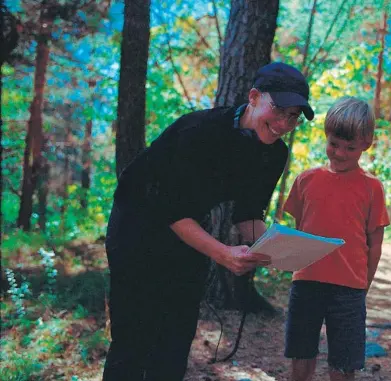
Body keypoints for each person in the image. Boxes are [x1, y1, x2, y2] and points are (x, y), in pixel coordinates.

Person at [103, 62, 315, 381]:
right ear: (254, 97)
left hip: (190, 230)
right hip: (136, 223)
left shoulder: (273, 155)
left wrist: (283, 250)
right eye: (280, 110)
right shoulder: (199, 131)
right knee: (133, 338)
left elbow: (247, 215)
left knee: (175, 338)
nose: (284, 123)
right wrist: (223, 253)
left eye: (294, 117)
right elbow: (169, 209)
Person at [282, 97, 391, 381]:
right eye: (334, 144)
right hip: (306, 283)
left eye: (350, 147)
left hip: (349, 289)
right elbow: (298, 230)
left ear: (366, 143)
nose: (340, 153)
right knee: (301, 354)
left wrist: (363, 285)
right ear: (326, 136)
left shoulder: (372, 188)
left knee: (343, 364)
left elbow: (374, 243)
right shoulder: (306, 180)